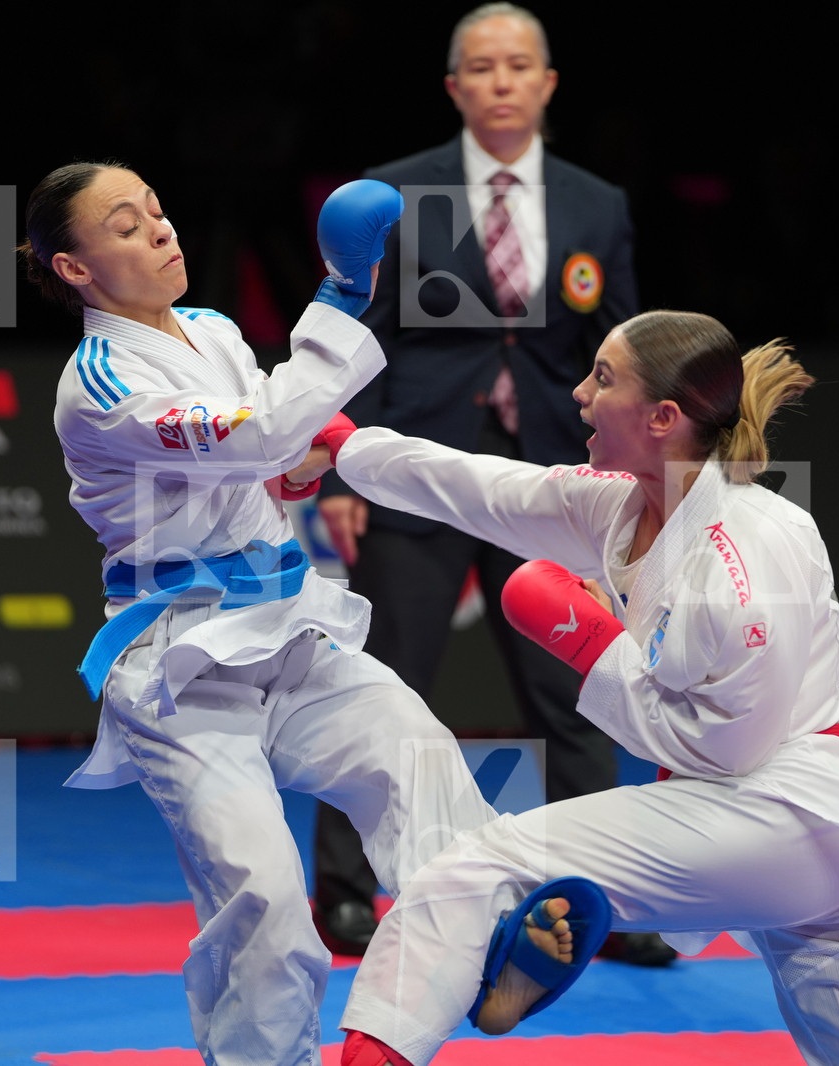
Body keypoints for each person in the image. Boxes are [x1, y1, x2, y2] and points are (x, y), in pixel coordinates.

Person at [282, 312, 839, 1066]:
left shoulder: (743, 558)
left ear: (663, 418)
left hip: (790, 817)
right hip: (833, 843)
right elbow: (491, 490)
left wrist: (595, 648)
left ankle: (386, 1045)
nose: (577, 394)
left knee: (483, 865)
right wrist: (348, 446)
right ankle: (498, 962)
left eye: (603, 378)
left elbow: (729, 751)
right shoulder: (628, 505)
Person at [21, 160, 496, 1066]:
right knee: (266, 901)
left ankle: (496, 944)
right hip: (181, 666)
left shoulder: (210, 330)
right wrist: (343, 294)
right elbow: (254, 432)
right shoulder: (102, 385)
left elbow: (261, 458)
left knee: (421, 762)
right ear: (75, 268)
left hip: (290, 626)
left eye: (157, 211)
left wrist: (297, 465)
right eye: (126, 225)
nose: (160, 230)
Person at [314, 1, 665, 965]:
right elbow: (359, 337)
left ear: (548, 82)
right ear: (455, 87)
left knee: (581, 690)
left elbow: (622, 345)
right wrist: (345, 465)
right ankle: (345, 891)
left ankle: (606, 901)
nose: (502, 81)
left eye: (519, 66)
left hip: (551, 476)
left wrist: (634, 468)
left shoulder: (599, 203)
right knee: (381, 689)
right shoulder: (398, 191)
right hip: (417, 464)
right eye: (483, 67)